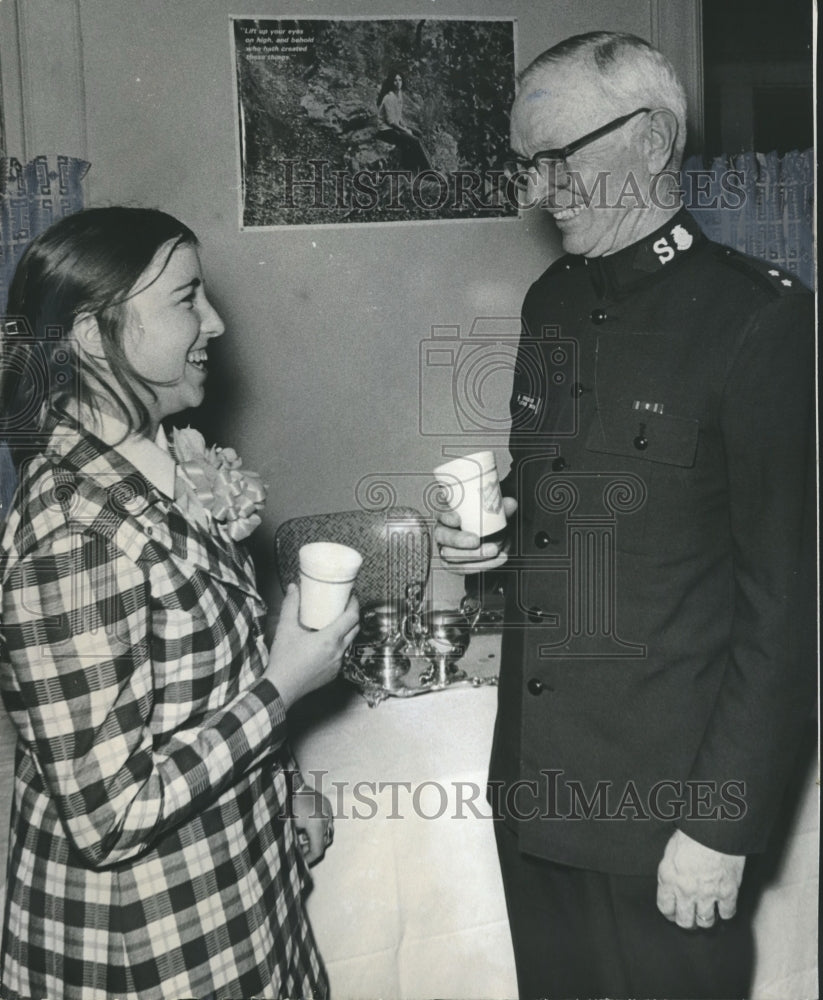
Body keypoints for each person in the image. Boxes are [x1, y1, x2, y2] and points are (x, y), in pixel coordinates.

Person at [435, 31, 815, 1000]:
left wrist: (718, 824)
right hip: (536, 794)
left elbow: (788, 607)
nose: (538, 188)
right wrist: (493, 547)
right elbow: (583, 534)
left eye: (558, 156)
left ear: (649, 141)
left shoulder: (758, 321)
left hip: (665, 820)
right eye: (527, 162)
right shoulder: (551, 302)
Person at [0, 207, 360, 1000]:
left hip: (234, 897)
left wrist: (284, 781)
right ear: (94, 337)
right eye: (186, 300)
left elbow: (201, 688)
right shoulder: (73, 532)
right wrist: (282, 688)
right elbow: (108, 815)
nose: (217, 322)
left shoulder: (154, 456)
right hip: (148, 945)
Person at [376, 69, 432, 173]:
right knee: (415, 140)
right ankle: (428, 172)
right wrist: (405, 131)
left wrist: (406, 127)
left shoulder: (399, 94)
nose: (398, 83)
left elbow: (398, 116)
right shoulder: (389, 97)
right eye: (395, 80)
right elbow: (390, 122)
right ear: (391, 82)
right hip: (385, 131)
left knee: (418, 133)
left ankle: (412, 165)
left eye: (400, 80)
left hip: (394, 126)